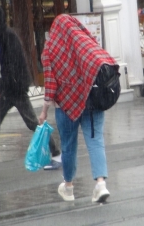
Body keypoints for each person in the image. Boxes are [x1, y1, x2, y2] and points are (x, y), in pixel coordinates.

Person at [0, 4, 60, 175]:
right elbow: (1, 67)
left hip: (16, 89)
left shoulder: (8, 37)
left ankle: (56, 154)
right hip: (5, 90)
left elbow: (10, 66)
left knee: (33, 123)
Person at [38, 14, 117, 203]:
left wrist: (44, 111)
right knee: (96, 140)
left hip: (66, 105)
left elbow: (51, 85)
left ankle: (69, 186)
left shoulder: (50, 50)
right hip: (92, 100)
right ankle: (100, 185)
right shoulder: (87, 41)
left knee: (68, 146)